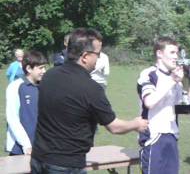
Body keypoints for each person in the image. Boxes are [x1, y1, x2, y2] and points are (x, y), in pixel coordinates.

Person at [30, 28, 148, 174]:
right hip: (66, 165)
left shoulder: (49, 75)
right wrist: (136, 124)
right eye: (97, 54)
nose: (99, 59)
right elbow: (114, 127)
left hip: (38, 159)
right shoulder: (91, 88)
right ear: (85, 56)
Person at [137, 36, 185, 174]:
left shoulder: (176, 79)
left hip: (172, 134)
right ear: (159, 53)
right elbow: (149, 102)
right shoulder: (149, 74)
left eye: (177, 53)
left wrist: (187, 85)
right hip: (154, 136)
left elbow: (181, 106)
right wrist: (172, 81)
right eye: (172, 52)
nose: (176, 56)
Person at [5, 50, 47, 156]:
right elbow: (12, 118)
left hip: (43, 147)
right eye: (40, 68)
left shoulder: (45, 86)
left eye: (44, 67)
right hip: (20, 148)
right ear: (28, 69)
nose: (44, 71)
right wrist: (26, 145)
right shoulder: (15, 87)